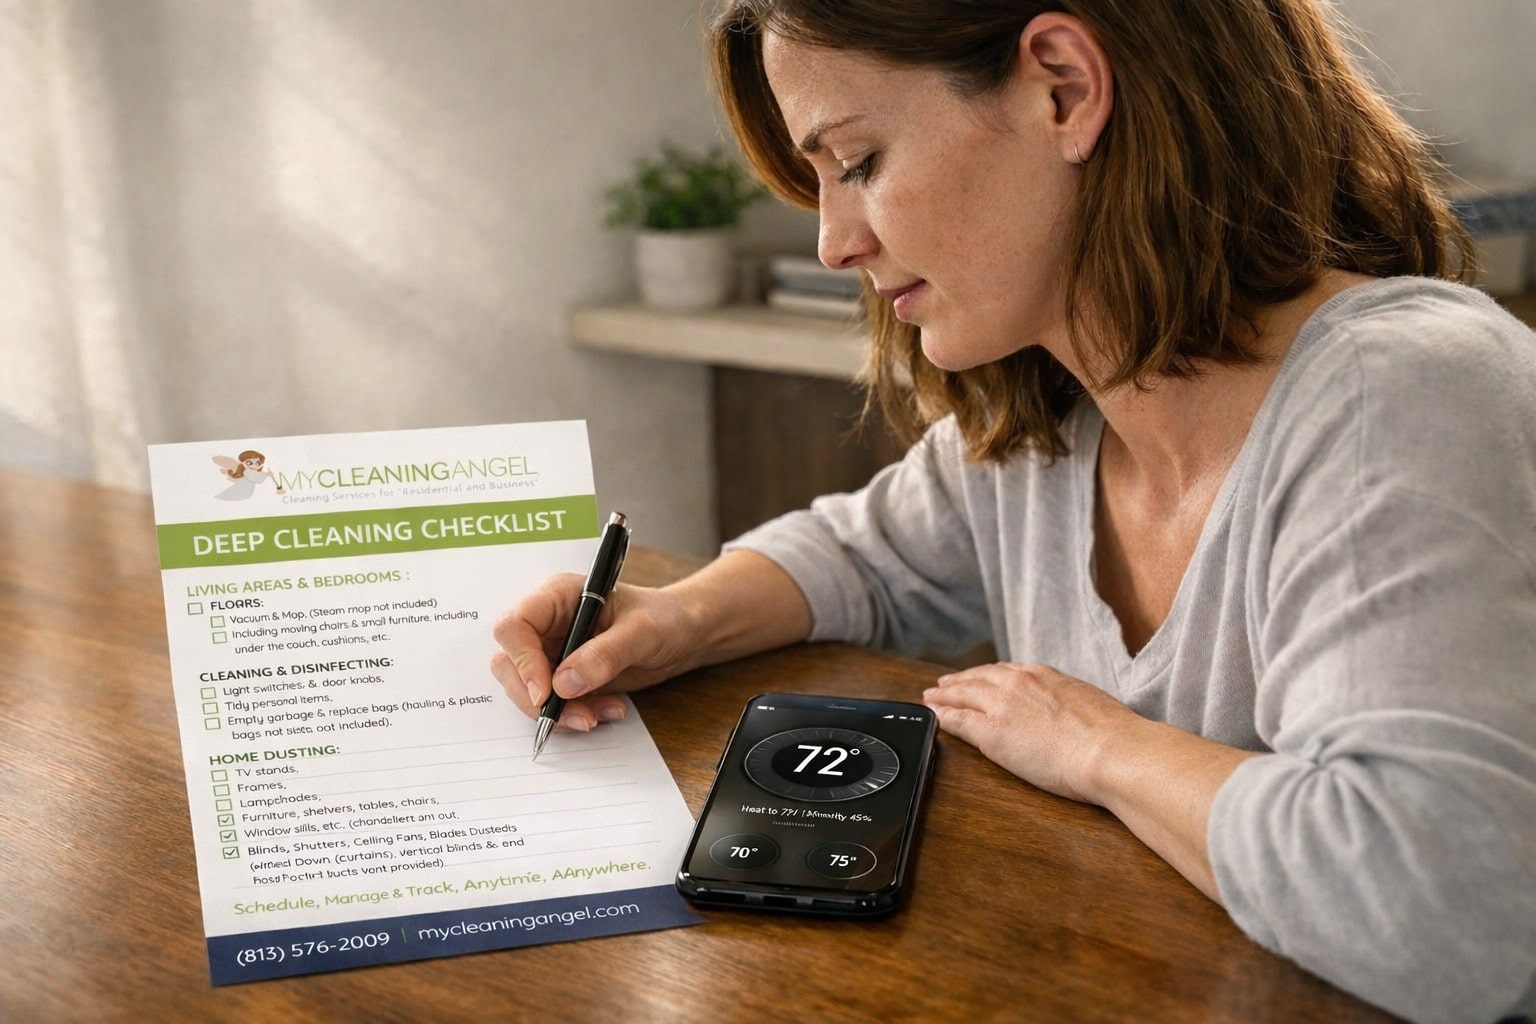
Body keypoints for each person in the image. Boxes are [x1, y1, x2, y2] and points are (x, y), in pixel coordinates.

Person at [491, 2, 1536, 1020]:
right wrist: (671, 617)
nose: (831, 243)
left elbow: (1439, 913)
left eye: (856, 163)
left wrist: (1098, 745)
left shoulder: (1404, 392)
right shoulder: (1054, 418)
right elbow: (861, 557)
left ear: (1063, 90)